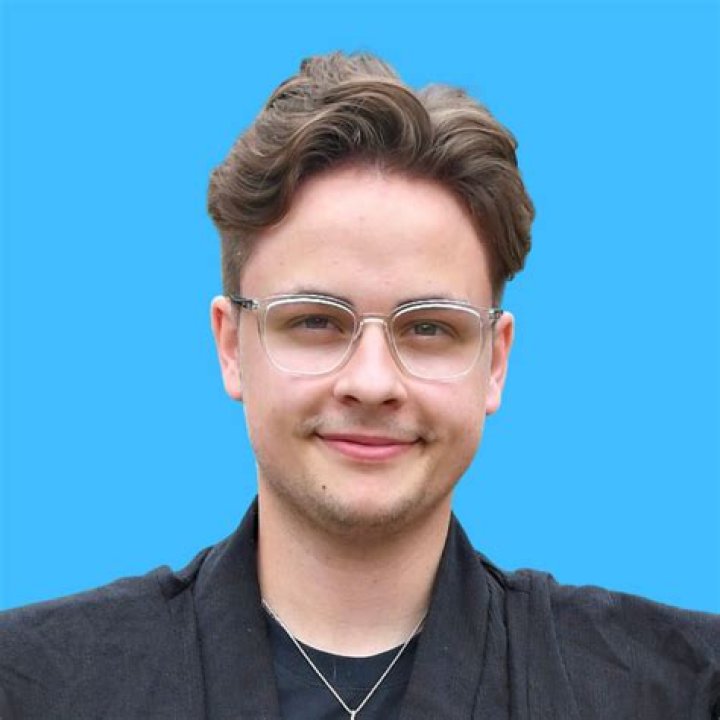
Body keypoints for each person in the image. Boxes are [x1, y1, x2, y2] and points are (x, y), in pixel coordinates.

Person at [0, 51, 718, 720]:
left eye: (428, 327)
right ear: (231, 346)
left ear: (495, 361)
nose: (372, 383)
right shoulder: (36, 684)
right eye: (315, 321)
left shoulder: (678, 690)